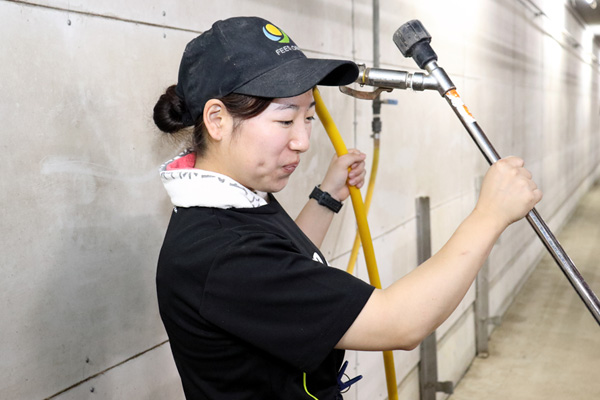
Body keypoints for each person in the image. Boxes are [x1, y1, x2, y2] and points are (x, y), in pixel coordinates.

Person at [153, 16, 542, 400]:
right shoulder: (222, 254)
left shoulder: (229, 201)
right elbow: (398, 322)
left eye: (308, 117)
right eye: (286, 120)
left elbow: (281, 264)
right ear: (217, 120)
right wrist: (490, 216)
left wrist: (327, 197)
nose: (303, 141)